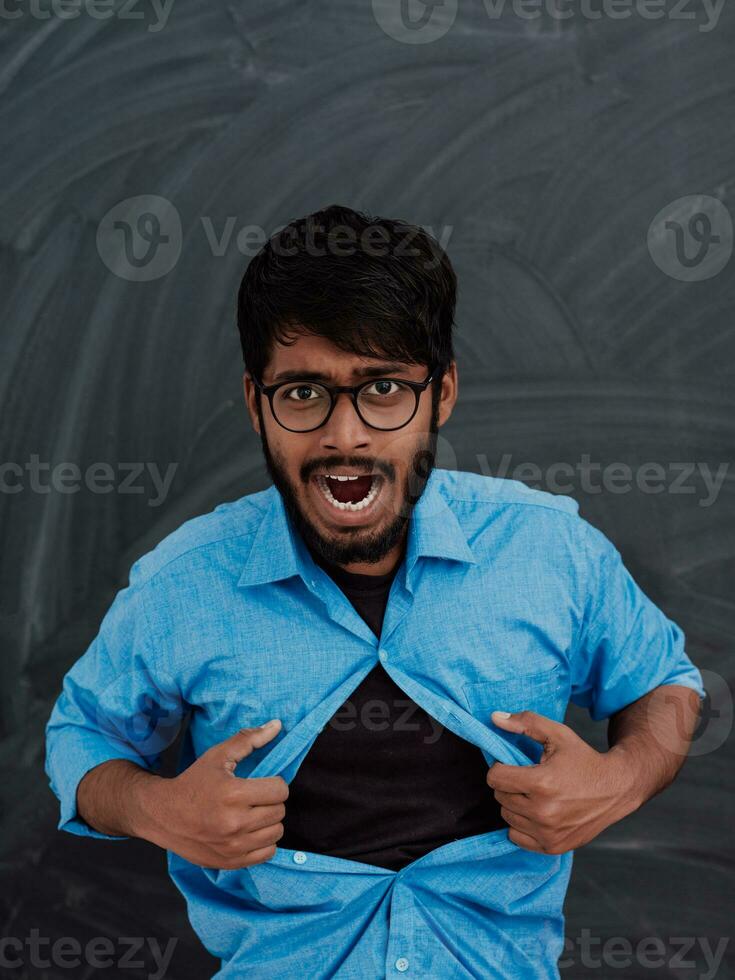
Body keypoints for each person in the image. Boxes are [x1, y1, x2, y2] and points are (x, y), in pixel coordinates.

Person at [44, 204, 706, 979]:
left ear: (442, 394)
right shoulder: (184, 583)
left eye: (383, 388)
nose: (344, 436)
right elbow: (78, 734)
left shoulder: (550, 552)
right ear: (256, 404)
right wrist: (153, 809)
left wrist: (618, 777)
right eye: (302, 394)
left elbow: (663, 681)